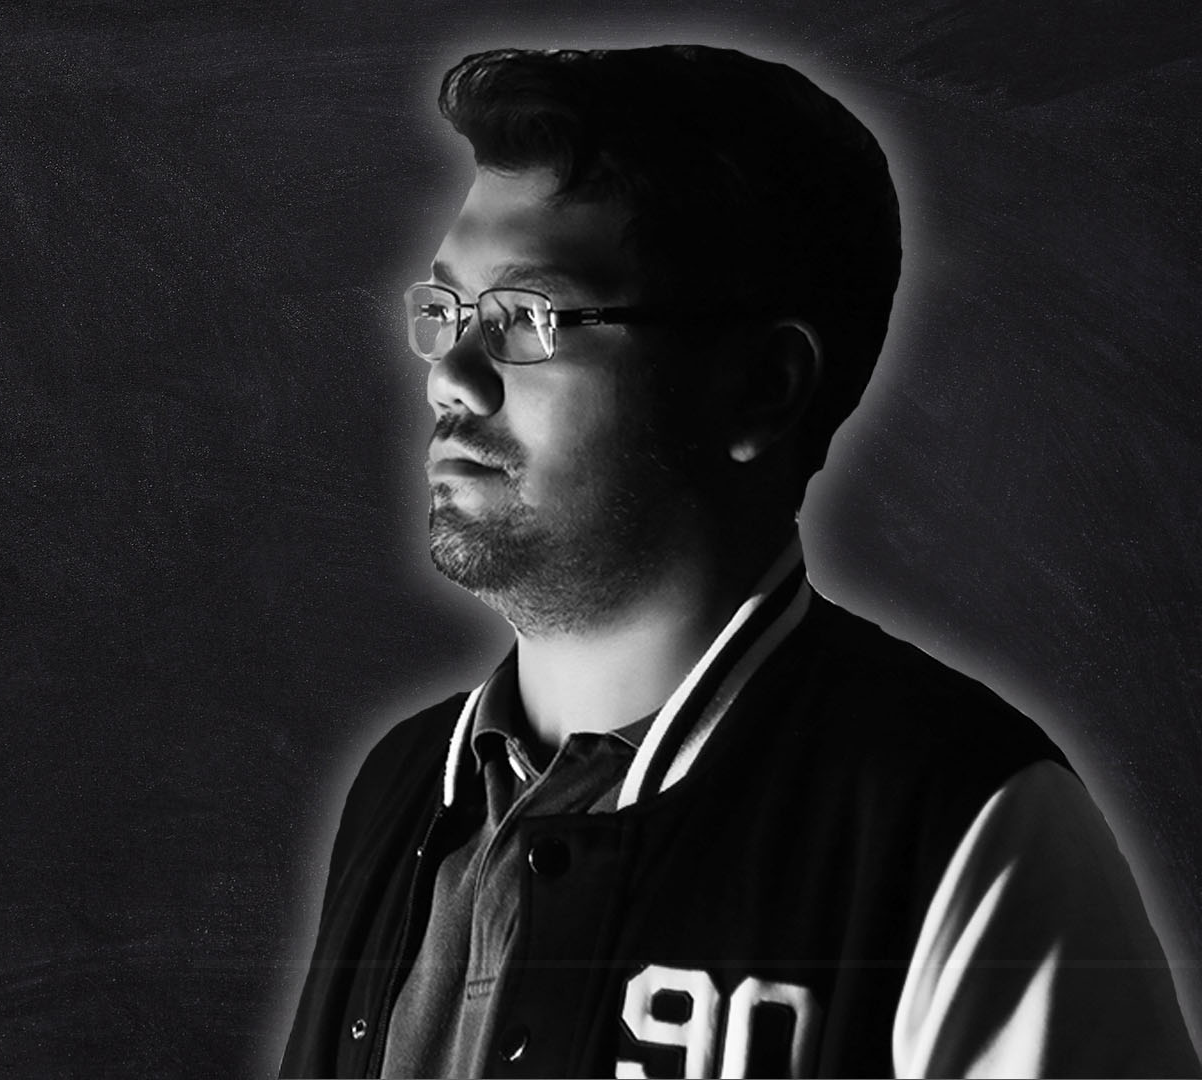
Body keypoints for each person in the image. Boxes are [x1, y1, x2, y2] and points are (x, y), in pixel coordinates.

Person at [279, 45, 1199, 1078]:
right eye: (446, 311)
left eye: (526, 319)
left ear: (761, 386)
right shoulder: (401, 787)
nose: (450, 376)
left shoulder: (962, 819)